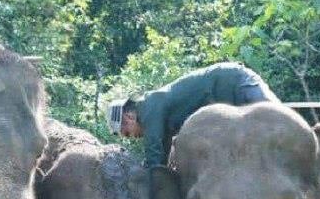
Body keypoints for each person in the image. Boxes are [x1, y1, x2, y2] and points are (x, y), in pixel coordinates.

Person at [108, 62, 281, 167]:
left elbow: (154, 154)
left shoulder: (149, 107)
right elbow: (162, 156)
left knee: (277, 119)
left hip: (233, 80)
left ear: (129, 117)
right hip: (227, 100)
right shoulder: (159, 120)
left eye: (128, 133)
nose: (133, 137)